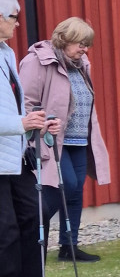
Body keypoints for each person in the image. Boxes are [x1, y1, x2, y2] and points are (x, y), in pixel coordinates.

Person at [19, 17, 111, 264]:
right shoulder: (37, 61)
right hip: (51, 137)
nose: (85, 49)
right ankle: (30, 232)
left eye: (87, 45)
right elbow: (26, 101)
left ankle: (69, 246)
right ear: (65, 39)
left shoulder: (80, 64)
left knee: (75, 190)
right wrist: (39, 126)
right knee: (65, 184)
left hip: (78, 137)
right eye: (81, 43)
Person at [0, 0, 63, 277]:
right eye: (13, 17)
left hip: (14, 154)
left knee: (36, 215)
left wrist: (36, 123)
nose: (17, 24)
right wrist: (20, 123)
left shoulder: (7, 54)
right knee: (5, 230)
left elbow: (14, 107)